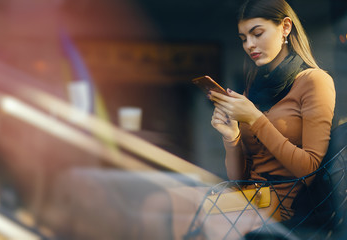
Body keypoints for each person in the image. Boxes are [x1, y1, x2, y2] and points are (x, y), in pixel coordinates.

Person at [140, 0, 335, 239]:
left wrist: (255, 119)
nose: (249, 45)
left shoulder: (315, 81)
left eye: (257, 33)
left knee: (168, 210)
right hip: (250, 196)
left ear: (285, 27)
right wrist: (231, 137)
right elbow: (238, 178)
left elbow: (310, 169)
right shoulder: (254, 87)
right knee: (156, 204)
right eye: (243, 38)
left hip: (286, 205)